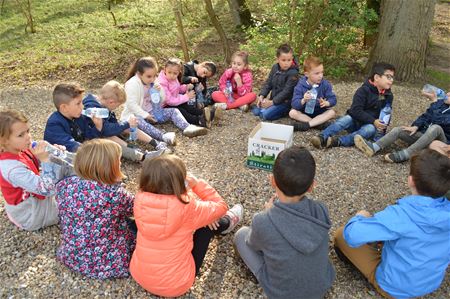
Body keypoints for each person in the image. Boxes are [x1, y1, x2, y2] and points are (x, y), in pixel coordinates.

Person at [334, 149, 450, 298]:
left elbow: (352, 235)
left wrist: (360, 217)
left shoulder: (402, 214)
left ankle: (367, 273)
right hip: (430, 283)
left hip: (395, 288)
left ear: (410, 180)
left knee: (341, 234)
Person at [130, 154, 244, 297]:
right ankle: (227, 222)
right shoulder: (186, 207)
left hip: (140, 275)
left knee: (202, 219)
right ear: (180, 181)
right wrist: (196, 184)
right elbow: (221, 206)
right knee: (207, 225)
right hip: (176, 284)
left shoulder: (139, 199)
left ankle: (214, 220)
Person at [234, 146, 335, 299]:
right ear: (311, 186)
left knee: (241, 235)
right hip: (321, 285)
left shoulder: (263, 220)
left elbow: (252, 244)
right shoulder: (321, 210)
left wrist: (269, 213)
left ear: (272, 181)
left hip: (281, 294)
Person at [56, 139, 135, 279]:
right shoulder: (114, 193)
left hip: (72, 254)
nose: (121, 163)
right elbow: (136, 209)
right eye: (118, 161)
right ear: (109, 167)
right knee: (135, 227)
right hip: (104, 261)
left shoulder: (64, 185)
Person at [0, 109, 71, 231]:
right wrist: (45, 161)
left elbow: (35, 160)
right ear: (3, 141)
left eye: (28, 131)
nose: (28, 137)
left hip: (32, 195)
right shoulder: (12, 168)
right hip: (32, 213)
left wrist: (53, 153)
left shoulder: (19, 148)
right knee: (78, 205)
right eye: (21, 135)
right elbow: (47, 190)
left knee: (70, 185)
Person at [310, 62, 395, 149]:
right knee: (346, 119)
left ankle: (337, 141)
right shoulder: (363, 90)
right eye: (388, 76)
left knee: (369, 129)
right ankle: (321, 137)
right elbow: (355, 110)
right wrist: (373, 120)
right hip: (356, 121)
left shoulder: (388, 95)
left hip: (370, 126)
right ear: (377, 77)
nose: (391, 80)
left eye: (392, 77)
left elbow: (386, 114)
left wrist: (381, 126)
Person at [120, 57, 208, 139]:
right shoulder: (132, 84)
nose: (153, 79)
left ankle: (188, 128)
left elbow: (162, 99)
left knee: (174, 111)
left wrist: (159, 91)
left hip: (153, 112)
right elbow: (131, 105)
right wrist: (145, 115)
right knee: (138, 120)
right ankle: (163, 136)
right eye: (149, 76)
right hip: (138, 116)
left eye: (154, 76)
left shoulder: (153, 81)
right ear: (139, 74)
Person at [83, 80, 168, 162]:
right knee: (112, 137)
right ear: (111, 102)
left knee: (126, 126)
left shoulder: (104, 105)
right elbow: (106, 130)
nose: (116, 108)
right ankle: (140, 154)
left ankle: (155, 143)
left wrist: (127, 125)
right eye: (117, 106)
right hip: (92, 137)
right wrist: (126, 124)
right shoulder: (94, 109)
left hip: (103, 131)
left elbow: (113, 123)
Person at [354, 90, 450, 163]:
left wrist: (434, 102)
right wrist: (416, 126)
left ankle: (406, 154)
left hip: (442, 142)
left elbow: (440, 120)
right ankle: (374, 147)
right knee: (399, 130)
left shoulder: (439, 104)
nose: (448, 94)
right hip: (425, 136)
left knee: (435, 128)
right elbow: (425, 116)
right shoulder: (441, 103)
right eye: (448, 91)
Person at [158, 58, 218, 129]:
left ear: (178, 72)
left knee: (187, 107)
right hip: (164, 106)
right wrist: (186, 97)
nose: (172, 75)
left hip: (174, 101)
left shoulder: (173, 78)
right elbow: (169, 100)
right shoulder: (162, 82)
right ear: (165, 70)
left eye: (175, 73)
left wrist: (186, 87)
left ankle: (205, 114)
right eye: (169, 72)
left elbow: (177, 88)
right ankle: (199, 120)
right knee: (182, 110)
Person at [44, 83, 102, 152]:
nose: (82, 107)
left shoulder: (79, 117)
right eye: (78, 103)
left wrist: (98, 127)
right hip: (63, 160)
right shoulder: (54, 124)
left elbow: (89, 138)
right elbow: (71, 146)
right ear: (64, 108)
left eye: (81, 103)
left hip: (80, 155)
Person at [252, 44, 299, 121]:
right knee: (256, 111)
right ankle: (265, 109)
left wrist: (271, 103)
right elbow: (268, 83)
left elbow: (287, 92)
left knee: (265, 115)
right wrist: (262, 95)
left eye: (289, 60)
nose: (286, 63)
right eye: (283, 60)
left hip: (286, 103)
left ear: (292, 59)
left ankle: (282, 112)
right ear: (278, 59)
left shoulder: (293, 73)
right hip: (274, 99)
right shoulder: (275, 67)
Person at [290, 55, 337, 131]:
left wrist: (327, 103)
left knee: (332, 112)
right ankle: (319, 124)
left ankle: (307, 125)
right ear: (307, 74)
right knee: (292, 113)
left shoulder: (325, 84)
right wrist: (303, 100)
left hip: (319, 111)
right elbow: (294, 103)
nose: (320, 76)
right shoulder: (300, 85)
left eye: (322, 72)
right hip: (304, 111)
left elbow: (333, 99)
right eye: (317, 73)